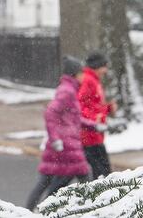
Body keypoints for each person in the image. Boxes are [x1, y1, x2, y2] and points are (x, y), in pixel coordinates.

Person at [25, 56, 97, 211]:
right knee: (83, 174)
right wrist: (55, 139)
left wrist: (94, 126)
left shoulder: (69, 89)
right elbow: (50, 113)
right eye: (81, 72)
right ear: (74, 74)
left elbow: (74, 118)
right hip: (66, 144)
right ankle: (92, 208)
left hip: (65, 143)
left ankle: (33, 209)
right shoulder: (67, 91)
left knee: (48, 180)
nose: (83, 76)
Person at [78, 52, 116, 179]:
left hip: (95, 134)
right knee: (102, 173)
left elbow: (94, 104)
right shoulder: (88, 80)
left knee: (102, 172)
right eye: (104, 66)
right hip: (89, 134)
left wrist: (108, 108)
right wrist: (95, 120)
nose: (106, 70)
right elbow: (80, 105)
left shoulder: (94, 80)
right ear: (98, 66)